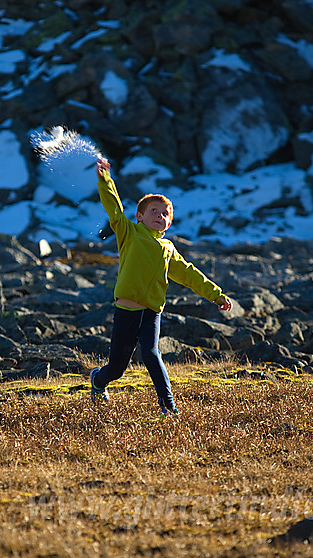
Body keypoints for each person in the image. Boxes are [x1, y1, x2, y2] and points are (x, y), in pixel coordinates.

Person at [90, 158, 232, 416]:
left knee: (152, 354)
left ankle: (168, 406)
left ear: (169, 224)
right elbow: (114, 207)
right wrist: (105, 179)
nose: (160, 215)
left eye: (165, 214)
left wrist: (216, 295)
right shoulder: (128, 232)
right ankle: (98, 381)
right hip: (126, 312)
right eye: (154, 211)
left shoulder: (169, 250)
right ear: (140, 216)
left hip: (152, 312)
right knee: (117, 368)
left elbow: (190, 275)